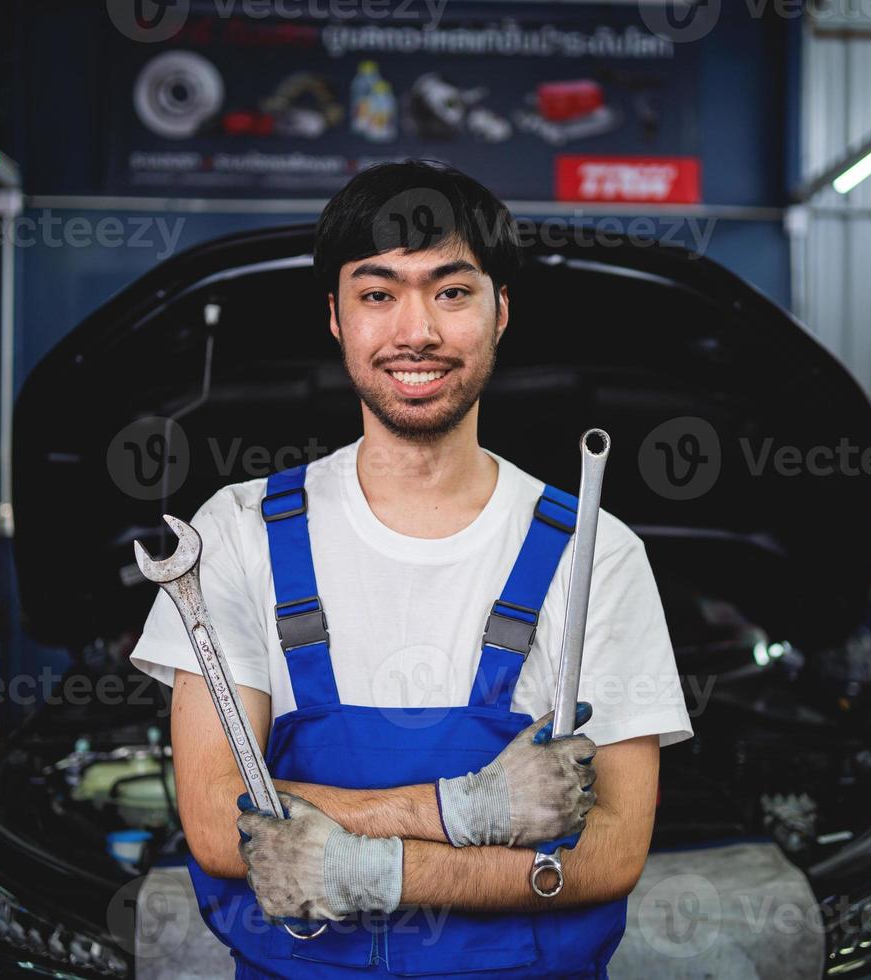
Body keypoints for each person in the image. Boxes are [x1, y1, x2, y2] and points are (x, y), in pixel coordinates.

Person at [130, 159, 693, 978]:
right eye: (378, 292)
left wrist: (375, 869)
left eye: (453, 291)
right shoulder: (239, 534)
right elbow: (219, 825)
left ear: (503, 311)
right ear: (336, 316)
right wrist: (467, 810)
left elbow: (611, 852)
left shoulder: (594, 554)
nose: (416, 331)